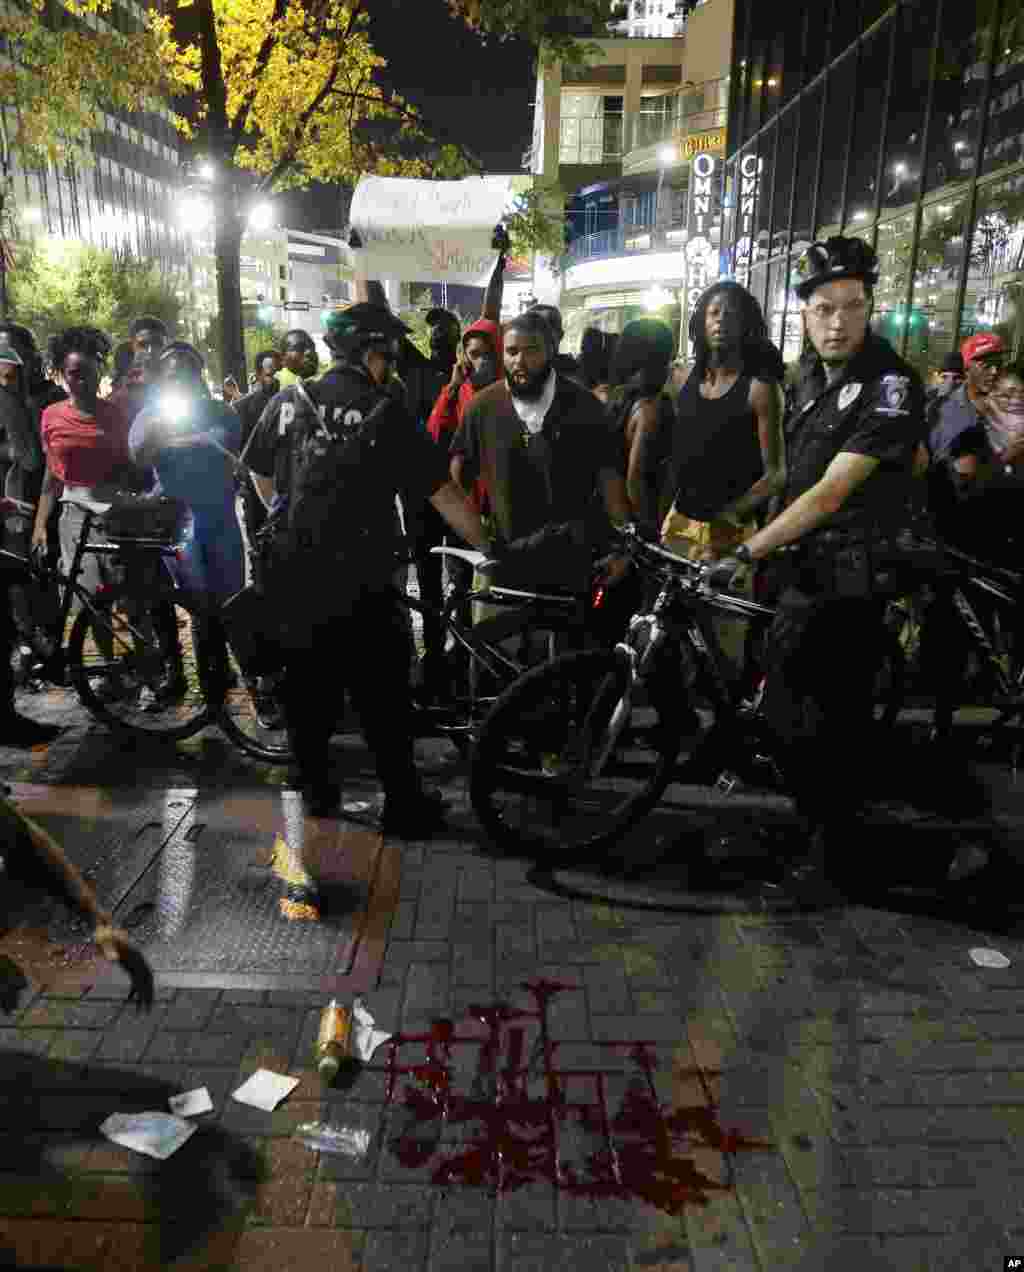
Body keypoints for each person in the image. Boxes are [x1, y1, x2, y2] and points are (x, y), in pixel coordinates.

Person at [706, 237, 996, 904]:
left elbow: (831, 493)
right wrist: (744, 527)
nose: (838, 322)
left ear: (870, 308)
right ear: (805, 314)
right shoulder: (808, 377)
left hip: (854, 580)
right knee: (795, 719)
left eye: (852, 306)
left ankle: (854, 861)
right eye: (824, 308)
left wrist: (748, 552)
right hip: (803, 572)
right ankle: (833, 843)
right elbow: (790, 475)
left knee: (824, 726)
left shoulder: (890, 384)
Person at [244, 302, 493, 824]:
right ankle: (402, 803)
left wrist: (297, 521)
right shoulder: (385, 411)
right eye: (390, 353)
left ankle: (317, 795)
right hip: (364, 578)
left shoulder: (288, 401)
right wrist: (488, 547)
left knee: (307, 689)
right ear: (373, 353)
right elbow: (443, 492)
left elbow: (261, 476)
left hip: (294, 575)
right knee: (382, 694)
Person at [450, 308, 631, 602]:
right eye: (512, 352)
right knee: (499, 632)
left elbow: (609, 481)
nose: (519, 361)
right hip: (506, 568)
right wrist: (480, 541)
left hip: (572, 567)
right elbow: (457, 478)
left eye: (531, 350)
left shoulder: (585, 408)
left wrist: (622, 548)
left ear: (551, 351)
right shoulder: (482, 408)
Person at [130, 343, 244, 699]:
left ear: (199, 375)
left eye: (188, 372)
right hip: (181, 524)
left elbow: (230, 450)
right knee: (198, 604)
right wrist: (162, 429)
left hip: (221, 519)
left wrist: (180, 440)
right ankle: (211, 687)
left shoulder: (221, 411)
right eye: (173, 375)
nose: (181, 380)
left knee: (231, 602)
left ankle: (231, 674)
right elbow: (140, 457)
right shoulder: (149, 415)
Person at [31, 327, 136, 700]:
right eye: (74, 374)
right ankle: (109, 671)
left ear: (98, 372)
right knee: (91, 603)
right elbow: (51, 478)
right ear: (62, 374)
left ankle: (146, 670)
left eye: (89, 373)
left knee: (129, 596)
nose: (82, 381)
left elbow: (131, 467)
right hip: (74, 517)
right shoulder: (50, 416)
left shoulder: (116, 414)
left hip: (116, 517)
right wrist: (40, 525)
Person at [664, 281, 785, 562]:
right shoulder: (682, 379)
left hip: (731, 532)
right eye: (714, 312)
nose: (721, 320)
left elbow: (776, 474)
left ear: (745, 325)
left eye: (731, 314)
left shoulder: (760, 388)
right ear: (702, 322)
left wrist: (730, 515)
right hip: (679, 521)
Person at [607, 317, 682, 539]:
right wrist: (651, 529)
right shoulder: (650, 410)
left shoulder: (618, 395)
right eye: (670, 357)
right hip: (639, 525)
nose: (672, 364)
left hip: (616, 521)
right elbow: (636, 479)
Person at [232, 349, 279, 559]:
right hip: (254, 487)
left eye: (278, 372)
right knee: (260, 546)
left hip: (287, 485)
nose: (275, 378)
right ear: (259, 374)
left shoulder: (295, 401)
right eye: (270, 373)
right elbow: (235, 449)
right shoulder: (241, 407)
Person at [928, 333, 1003, 465]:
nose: (994, 371)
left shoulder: (1012, 406)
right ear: (967, 369)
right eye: (986, 366)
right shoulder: (941, 409)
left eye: (999, 364)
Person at [526, 303, 580, 379]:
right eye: (530, 329)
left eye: (544, 330)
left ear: (560, 335)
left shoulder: (576, 374)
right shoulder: (517, 370)